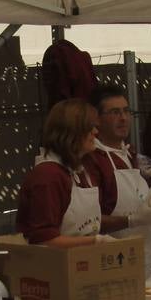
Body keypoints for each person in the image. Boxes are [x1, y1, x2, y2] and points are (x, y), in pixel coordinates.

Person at [84, 84, 151, 272]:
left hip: (147, 261)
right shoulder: (93, 159)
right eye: (114, 112)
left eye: (126, 111)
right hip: (110, 264)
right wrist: (132, 220)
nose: (123, 118)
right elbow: (88, 223)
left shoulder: (130, 155)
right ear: (96, 119)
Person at [16, 99, 109, 247]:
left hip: (82, 263)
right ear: (72, 131)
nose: (96, 132)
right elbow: (43, 240)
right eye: (89, 127)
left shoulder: (80, 170)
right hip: (52, 267)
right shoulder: (48, 176)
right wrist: (94, 241)